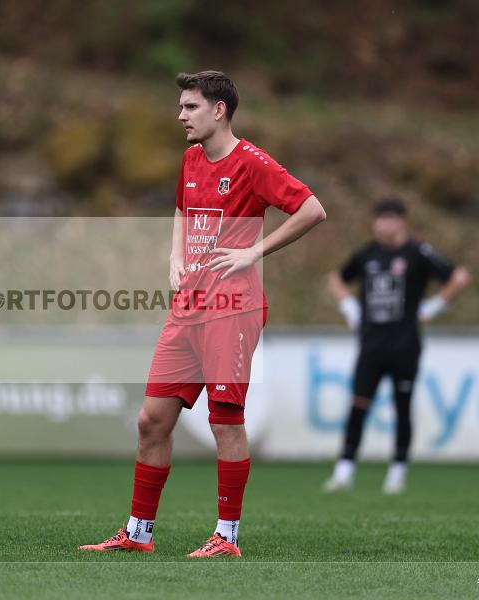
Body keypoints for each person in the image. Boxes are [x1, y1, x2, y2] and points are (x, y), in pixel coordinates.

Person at [80, 71, 326, 557]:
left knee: (225, 421)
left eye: (190, 107)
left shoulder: (252, 163)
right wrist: (174, 258)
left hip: (233, 310)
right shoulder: (192, 158)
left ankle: (227, 537)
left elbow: (312, 209)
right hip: (188, 307)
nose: (181, 116)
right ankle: (137, 534)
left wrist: (254, 252)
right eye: (180, 106)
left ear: (219, 110)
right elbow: (181, 210)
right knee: (152, 419)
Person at [323, 198, 470, 494]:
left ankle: (397, 471)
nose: (384, 224)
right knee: (358, 405)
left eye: (390, 218)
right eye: (380, 218)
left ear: (402, 221)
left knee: (402, 407)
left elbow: (458, 276)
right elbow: (337, 278)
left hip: (405, 345)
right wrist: (349, 306)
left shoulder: (418, 252)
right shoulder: (367, 254)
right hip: (371, 345)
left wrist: (434, 307)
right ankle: (344, 471)